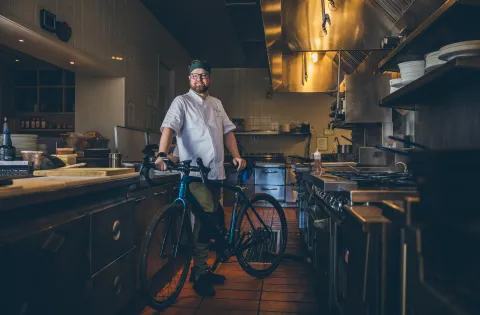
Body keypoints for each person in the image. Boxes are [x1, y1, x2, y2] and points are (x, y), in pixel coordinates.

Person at [155, 59, 246, 297]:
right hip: (194, 174)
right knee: (208, 215)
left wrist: (236, 155)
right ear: (189, 79)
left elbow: (228, 132)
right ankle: (203, 270)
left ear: (210, 79)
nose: (199, 79)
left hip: (216, 172)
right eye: (195, 76)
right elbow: (169, 128)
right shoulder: (182, 102)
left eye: (203, 75)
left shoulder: (216, 103)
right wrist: (162, 154)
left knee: (208, 222)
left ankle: (202, 269)